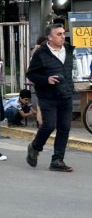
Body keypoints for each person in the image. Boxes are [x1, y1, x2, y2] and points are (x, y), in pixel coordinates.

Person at [26, 24, 75, 172]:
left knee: (65, 127)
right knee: (49, 125)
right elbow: (31, 74)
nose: (62, 36)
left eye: (63, 33)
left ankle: (57, 160)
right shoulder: (41, 54)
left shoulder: (68, 49)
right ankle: (35, 147)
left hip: (65, 94)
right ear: (50, 37)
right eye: (59, 34)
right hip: (48, 96)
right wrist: (46, 79)